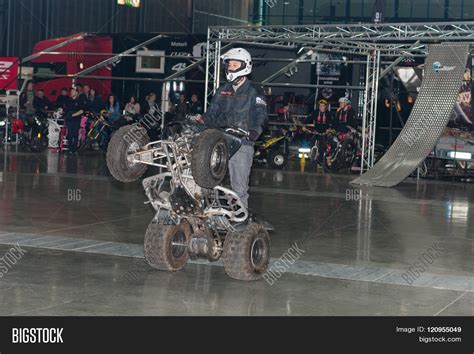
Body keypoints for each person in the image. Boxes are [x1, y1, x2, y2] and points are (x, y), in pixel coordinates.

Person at [197, 48, 267, 208]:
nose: (231, 67)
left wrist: (256, 131)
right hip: (219, 141)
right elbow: (212, 113)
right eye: (229, 64)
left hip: (242, 143)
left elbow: (261, 115)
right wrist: (203, 119)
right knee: (205, 180)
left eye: (235, 64)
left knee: (239, 188)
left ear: (245, 66)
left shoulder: (255, 90)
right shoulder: (222, 90)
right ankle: (206, 216)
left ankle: (240, 224)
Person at [64, 87, 84, 154]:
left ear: (76, 92)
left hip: (76, 120)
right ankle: (70, 148)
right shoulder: (68, 100)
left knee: (75, 134)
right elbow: (66, 109)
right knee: (69, 134)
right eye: (71, 91)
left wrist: (73, 115)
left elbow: (81, 111)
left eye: (73, 91)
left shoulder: (79, 100)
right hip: (69, 119)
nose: (71, 92)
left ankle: (74, 149)